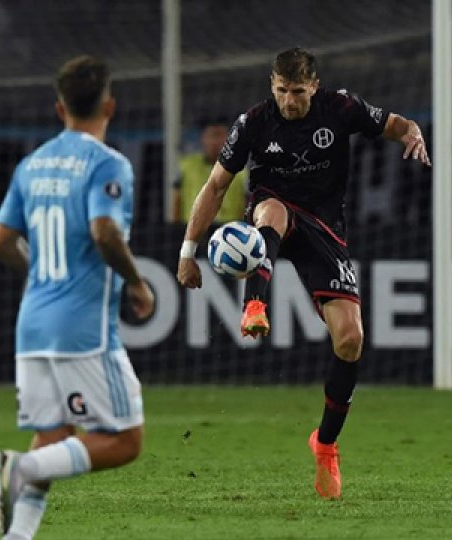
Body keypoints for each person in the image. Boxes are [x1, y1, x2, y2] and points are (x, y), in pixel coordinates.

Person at [175, 47, 430, 500]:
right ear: (271, 86)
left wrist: (413, 133)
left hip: (326, 232)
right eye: (280, 91)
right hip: (273, 216)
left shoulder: (341, 107)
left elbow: (393, 124)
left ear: (314, 85)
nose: (288, 101)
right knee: (270, 209)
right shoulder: (253, 122)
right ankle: (255, 304)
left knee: (350, 340)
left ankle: (326, 445)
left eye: (296, 92)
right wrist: (188, 251)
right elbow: (216, 186)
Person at [0, 55, 154, 540]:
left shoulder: (31, 164)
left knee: (53, 438)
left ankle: (17, 536)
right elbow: (104, 232)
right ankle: (16, 469)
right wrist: (138, 283)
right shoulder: (108, 164)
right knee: (124, 441)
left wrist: (37, 269)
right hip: (81, 329)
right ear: (111, 105)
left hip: (32, 325)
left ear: (59, 107)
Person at [170, 118, 248, 223]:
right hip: (193, 230)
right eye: (212, 136)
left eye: (220, 136)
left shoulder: (240, 170)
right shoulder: (186, 166)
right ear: (204, 138)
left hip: (227, 232)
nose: (216, 142)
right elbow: (177, 200)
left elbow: (246, 204)